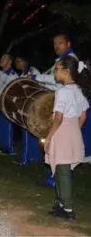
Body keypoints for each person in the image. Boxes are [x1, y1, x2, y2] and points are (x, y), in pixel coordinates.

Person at [32, 34, 90, 186]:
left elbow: (55, 79)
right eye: (55, 43)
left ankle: (56, 180)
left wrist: (38, 78)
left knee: (59, 145)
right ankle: (56, 179)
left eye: (60, 43)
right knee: (62, 147)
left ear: (68, 43)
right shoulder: (63, 60)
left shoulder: (70, 60)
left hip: (65, 109)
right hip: (67, 109)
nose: (56, 46)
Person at [45, 56, 90, 220]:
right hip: (72, 131)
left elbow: (58, 118)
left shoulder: (62, 91)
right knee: (61, 169)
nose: (54, 72)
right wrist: (74, 130)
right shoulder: (78, 90)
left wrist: (49, 137)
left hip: (62, 131)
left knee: (62, 171)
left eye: (56, 69)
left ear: (66, 71)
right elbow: (83, 115)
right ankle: (62, 204)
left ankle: (68, 209)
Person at [14, 55, 43, 165]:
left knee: (28, 130)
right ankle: (34, 157)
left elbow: (40, 86)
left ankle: (26, 158)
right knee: (29, 131)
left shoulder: (32, 71)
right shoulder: (22, 74)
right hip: (26, 105)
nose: (16, 63)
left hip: (32, 105)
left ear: (25, 61)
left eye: (18, 60)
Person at [0, 54, 19, 155]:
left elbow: (10, 92)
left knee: (7, 126)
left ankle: (10, 149)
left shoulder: (13, 75)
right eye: (1, 58)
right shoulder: (1, 73)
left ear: (10, 61)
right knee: (0, 125)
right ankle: (4, 147)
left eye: (4, 59)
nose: (1, 60)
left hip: (6, 104)